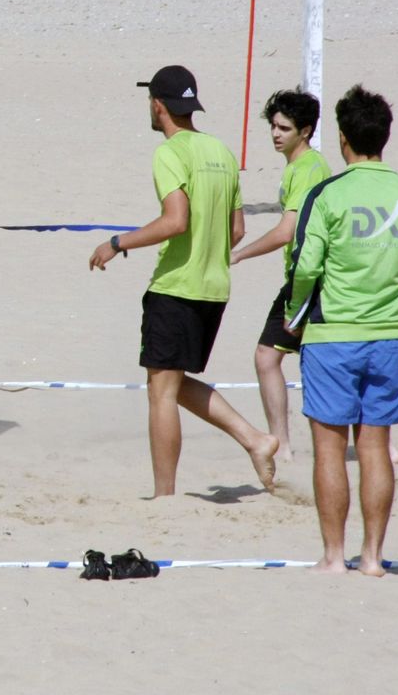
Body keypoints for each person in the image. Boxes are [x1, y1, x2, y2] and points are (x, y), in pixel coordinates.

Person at [89, 65, 279, 498]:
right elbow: (237, 231)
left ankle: (165, 495)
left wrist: (118, 242)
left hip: (177, 285)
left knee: (160, 393)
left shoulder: (169, 153)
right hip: (214, 288)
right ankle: (254, 438)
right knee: (169, 384)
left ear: (158, 105)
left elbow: (176, 221)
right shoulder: (222, 152)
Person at [287, 85, 398, 576]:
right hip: (391, 335)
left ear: (343, 139)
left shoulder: (329, 194)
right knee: (375, 446)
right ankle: (371, 557)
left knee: (329, 447)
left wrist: (293, 309)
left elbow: (306, 265)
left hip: (333, 335)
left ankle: (333, 556)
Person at [230, 89, 330, 462]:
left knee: (268, 356)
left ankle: (282, 445)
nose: (275, 133)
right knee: (313, 358)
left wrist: (240, 254)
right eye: (272, 125)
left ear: (305, 131)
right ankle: (383, 445)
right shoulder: (299, 166)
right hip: (309, 275)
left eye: (284, 127)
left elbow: (288, 231)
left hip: (309, 279)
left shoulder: (307, 169)